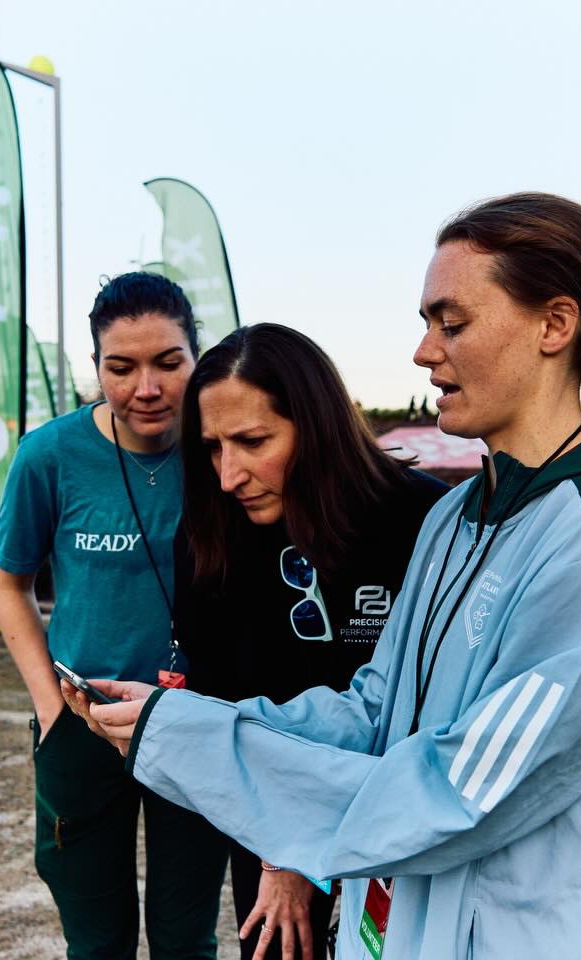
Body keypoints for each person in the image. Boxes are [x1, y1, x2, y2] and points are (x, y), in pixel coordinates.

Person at [72, 193, 581, 959]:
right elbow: (377, 713)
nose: (424, 351)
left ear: (554, 325)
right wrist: (185, 721)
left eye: (453, 322)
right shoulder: (454, 517)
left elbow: (463, 792)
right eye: (427, 323)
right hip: (409, 926)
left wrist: (198, 747)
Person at [172, 324, 448, 960]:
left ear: (317, 425)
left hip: (404, 823)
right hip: (271, 829)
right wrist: (284, 857)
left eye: (253, 441)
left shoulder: (423, 521)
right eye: (212, 448)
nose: (228, 475)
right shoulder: (207, 540)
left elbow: (434, 708)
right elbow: (228, 716)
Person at [0, 272, 228, 959]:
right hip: (81, 723)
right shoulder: (51, 455)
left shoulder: (223, 451)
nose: (145, 388)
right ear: (95, 368)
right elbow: (11, 584)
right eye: (120, 368)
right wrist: (52, 707)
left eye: (168, 363)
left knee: (186, 937)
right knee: (96, 939)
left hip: (193, 721)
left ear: (196, 357)